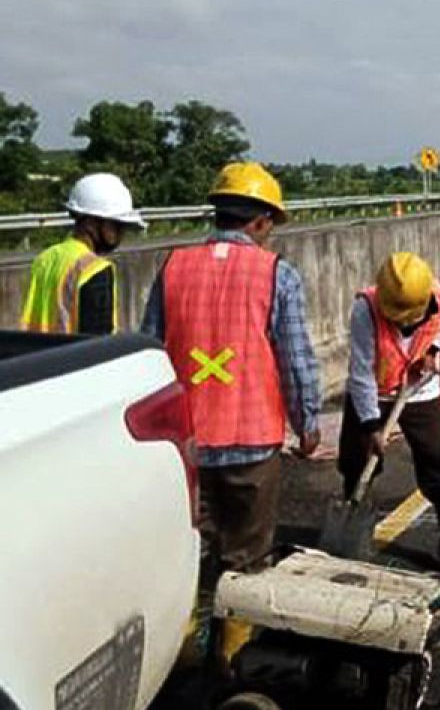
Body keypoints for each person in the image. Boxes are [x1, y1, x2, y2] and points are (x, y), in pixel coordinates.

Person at [141, 162, 322, 662]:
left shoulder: (172, 266)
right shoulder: (275, 273)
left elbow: (149, 352)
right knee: (245, 561)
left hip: (183, 448)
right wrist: (307, 425)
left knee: (189, 557)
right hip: (251, 442)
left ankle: (178, 660)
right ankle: (231, 663)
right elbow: (296, 360)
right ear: (261, 221)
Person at [338, 252, 440, 528]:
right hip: (374, 394)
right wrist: (371, 426)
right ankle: (354, 524)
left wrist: (434, 348)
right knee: (358, 463)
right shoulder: (365, 309)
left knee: (438, 459)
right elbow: (361, 373)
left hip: (420, 391)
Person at [21, 173, 145, 334]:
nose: (121, 233)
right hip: (74, 359)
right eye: (116, 225)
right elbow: (98, 340)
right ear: (91, 223)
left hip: (39, 357)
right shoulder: (95, 269)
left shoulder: (44, 260)